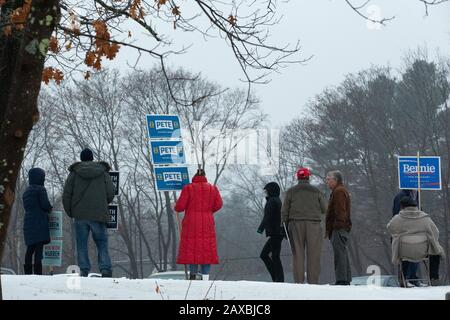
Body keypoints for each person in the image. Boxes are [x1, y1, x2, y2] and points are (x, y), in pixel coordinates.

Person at [63, 148, 115, 277]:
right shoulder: (103, 172)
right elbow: (111, 191)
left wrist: (71, 212)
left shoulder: (74, 173)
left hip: (80, 215)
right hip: (99, 214)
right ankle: (105, 268)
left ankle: (84, 269)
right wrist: (103, 202)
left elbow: (67, 195)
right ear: (92, 158)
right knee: (102, 243)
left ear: (81, 158)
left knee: (81, 244)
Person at [173, 168, 223, 280]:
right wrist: (208, 211)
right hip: (207, 222)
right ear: (205, 177)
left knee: (192, 248)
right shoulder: (213, 189)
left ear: (194, 177)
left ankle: (193, 276)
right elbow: (219, 204)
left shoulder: (188, 188)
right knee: (206, 249)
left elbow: (180, 207)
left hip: (191, 223)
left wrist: (175, 206)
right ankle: (206, 277)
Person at [281, 167, 327, 284]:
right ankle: (313, 282)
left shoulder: (291, 191)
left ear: (298, 177)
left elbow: (285, 210)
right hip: (313, 225)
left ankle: (299, 282)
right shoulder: (316, 191)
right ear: (308, 177)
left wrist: (284, 225)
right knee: (313, 255)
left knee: (298, 255)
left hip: (295, 224)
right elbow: (324, 208)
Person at [387, 196, 444, 287]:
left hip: (404, 252)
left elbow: (390, 228)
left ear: (402, 206)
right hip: (423, 252)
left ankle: (403, 279)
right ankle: (433, 277)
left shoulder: (398, 219)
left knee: (405, 249)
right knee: (436, 250)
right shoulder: (425, 218)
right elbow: (436, 231)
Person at [22, 168, 53, 275]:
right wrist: (50, 208)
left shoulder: (26, 192)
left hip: (28, 222)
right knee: (39, 248)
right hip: (39, 222)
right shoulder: (40, 189)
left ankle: (27, 272)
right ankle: (38, 272)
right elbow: (45, 205)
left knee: (30, 248)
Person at [325, 170, 352, 285]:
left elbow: (340, 211)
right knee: (342, 253)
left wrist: (337, 225)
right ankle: (345, 278)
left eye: (328, 179)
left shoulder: (339, 192)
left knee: (339, 254)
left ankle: (342, 279)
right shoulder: (339, 191)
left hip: (339, 228)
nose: (327, 181)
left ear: (336, 180)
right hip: (342, 227)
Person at [257, 182, 284, 282]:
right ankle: (277, 278)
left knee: (270, 255)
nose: (265, 193)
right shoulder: (277, 200)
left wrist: (260, 229)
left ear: (271, 190)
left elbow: (267, 216)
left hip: (275, 232)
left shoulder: (272, 201)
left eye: (266, 191)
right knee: (271, 255)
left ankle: (278, 278)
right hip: (278, 232)